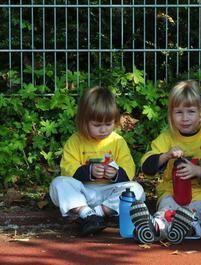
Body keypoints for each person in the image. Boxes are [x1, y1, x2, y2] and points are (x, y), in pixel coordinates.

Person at [130, 80, 201, 245]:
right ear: (171, 114)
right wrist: (166, 155)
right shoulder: (167, 136)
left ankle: (189, 226)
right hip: (173, 191)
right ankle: (156, 226)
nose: (185, 118)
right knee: (166, 207)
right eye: (179, 112)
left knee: (199, 208)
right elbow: (147, 167)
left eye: (191, 112)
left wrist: (197, 171)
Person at [49, 86, 145, 236]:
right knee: (58, 183)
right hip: (83, 192)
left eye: (108, 124)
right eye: (97, 125)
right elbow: (67, 168)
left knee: (136, 190)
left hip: (109, 192)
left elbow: (129, 168)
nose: (103, 130)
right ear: (84, 121)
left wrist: (115, 174)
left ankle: (94, 215)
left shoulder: (118, 141)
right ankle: (85, 212)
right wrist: (89, 172)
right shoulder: (75, 141)